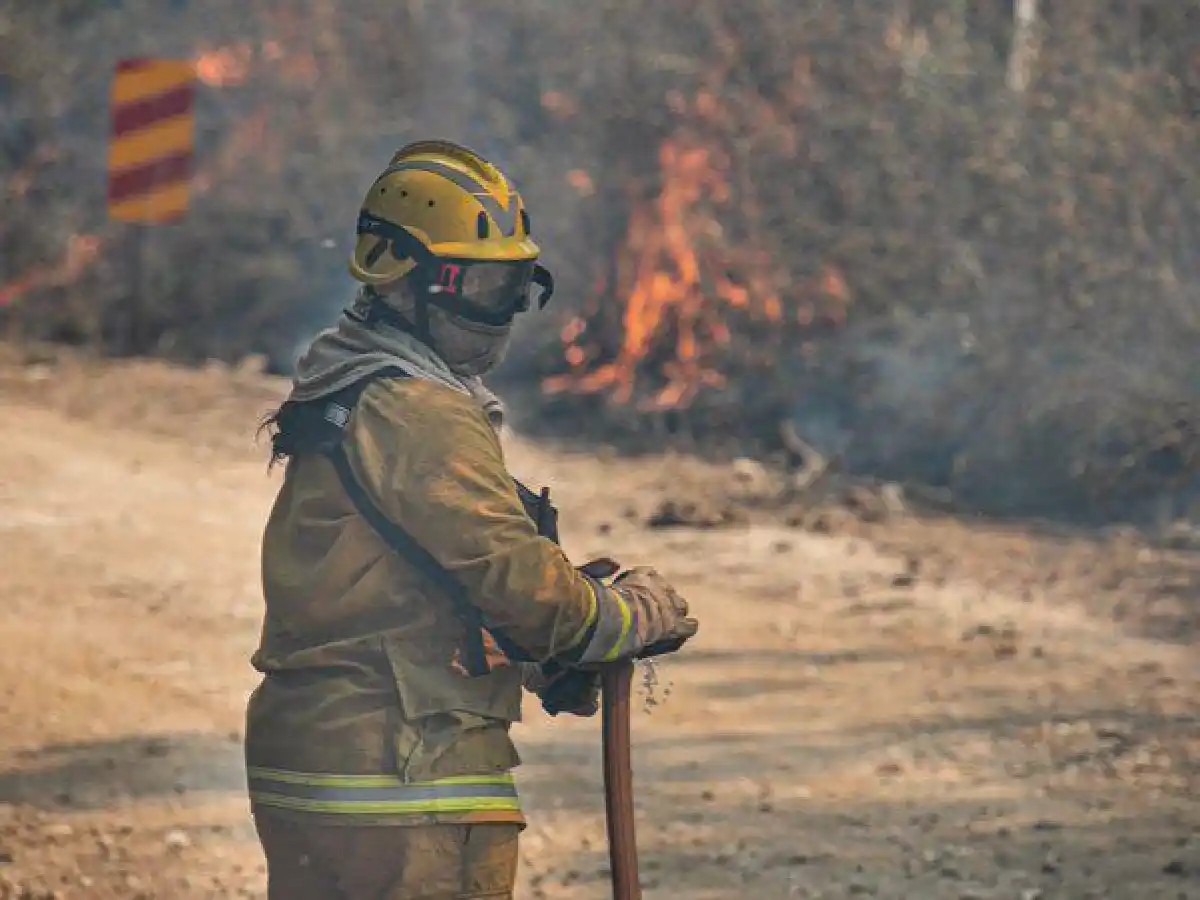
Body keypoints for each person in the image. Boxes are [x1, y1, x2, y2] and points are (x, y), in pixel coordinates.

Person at [246, 139, 699, 899]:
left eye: (517, 286)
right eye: (482, 287)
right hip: (405, 775)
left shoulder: (350, 385)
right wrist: (628, 614)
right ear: (403, 283)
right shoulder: (420, 411)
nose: (504, 313)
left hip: (325, 761)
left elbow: (409, 589)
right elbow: (528, 591)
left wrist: (539, 659)